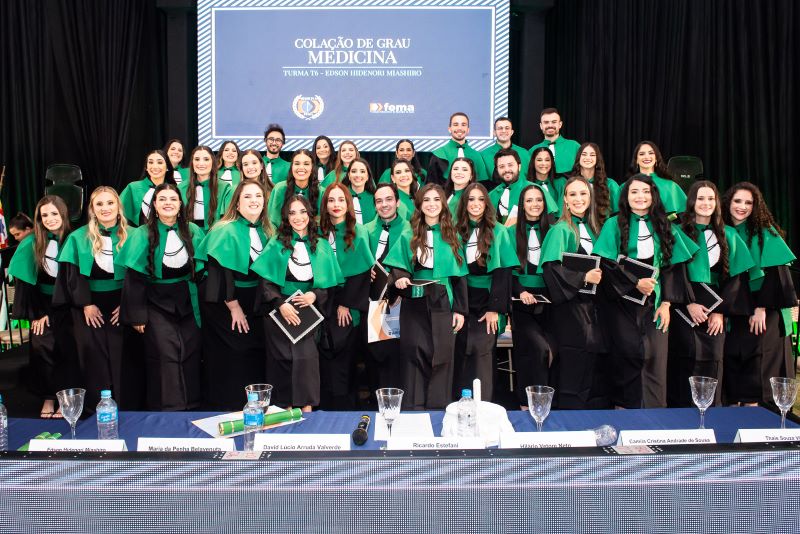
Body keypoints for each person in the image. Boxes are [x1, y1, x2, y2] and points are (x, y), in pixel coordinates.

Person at [593, 174, 697, 408]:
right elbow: (607, 264)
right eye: (634, 192)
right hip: (621, 303)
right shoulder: (613, 224)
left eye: (645, 192)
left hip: (656, 303)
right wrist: (634, 282)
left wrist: (667, 303)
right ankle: (624, 412)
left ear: (653, 196)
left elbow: (673, 267)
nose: (640, 197)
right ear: (625, 197)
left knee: (655, 358)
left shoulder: (664, 224)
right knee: (625, 355)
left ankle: (654, 416)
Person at [116, 183, 205, 411]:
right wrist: (137, 315)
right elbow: (134, 278)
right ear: (154, 205)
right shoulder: (142, 234)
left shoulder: (193, 231)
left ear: (180, 205)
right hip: (155, 301)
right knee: (166, 352)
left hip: (188, 300)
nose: (168, 203)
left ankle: (192, 405)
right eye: (162, 199)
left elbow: (203, 271)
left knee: (190, 350)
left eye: (173, 199)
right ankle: (169, 408)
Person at [251, 195, 342, 412]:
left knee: (306, 361)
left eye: (302, 212)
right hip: (279, 314)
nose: (298, 217)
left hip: (307, 314)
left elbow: (329, 284)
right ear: (286, 217)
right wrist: (281, 304)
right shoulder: (276, 243)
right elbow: (265, 283)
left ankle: (308, 416)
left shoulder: (321, 244)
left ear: (310, 215)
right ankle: (285, 415)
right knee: (281, 362)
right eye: (292, 213)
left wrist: (314, 296)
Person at [667, 181, 754, 407]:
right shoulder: (677, 232)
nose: (706, 203)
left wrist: (720, 312)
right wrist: (688, 304)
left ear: (717, 203)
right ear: (691, 201)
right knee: (682, 362)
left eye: (710, 199)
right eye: (701, 198)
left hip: (715, 311)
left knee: (713, 363)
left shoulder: (730, 234)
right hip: (683, 309)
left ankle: (710, 423)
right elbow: (675, 272)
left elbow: (735, 280)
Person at [383, 184, 468, 409]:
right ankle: (413, 411)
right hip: (414, 299)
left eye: (436, 200)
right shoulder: (408, 233)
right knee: (413, 353)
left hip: (443, 299)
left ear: (443, 204)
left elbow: (460, 278)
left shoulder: (453, 235)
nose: (431, 204)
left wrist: (460, 310)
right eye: (427, 200)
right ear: (420, 205)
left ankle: (438, 411)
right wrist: (401, 277)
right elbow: (396, 266)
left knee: (442, 355)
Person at [54, 187, 136, 412]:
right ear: (92, 209)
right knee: (94, 359)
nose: (105, 208)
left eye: (110, 203)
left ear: (118, 207)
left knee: (125, 358)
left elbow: (139, 275)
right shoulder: (78, 237)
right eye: (99, 204)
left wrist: (128, 304)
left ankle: (128, 408)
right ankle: (97, 409)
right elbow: (72, 276)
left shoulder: (134, 234)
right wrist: (86, 304)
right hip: (89, 307)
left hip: (123, 304)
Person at [196, 180, 272, 410]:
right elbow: (221, 271)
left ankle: (255, 407)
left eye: (258, 196)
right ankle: (228, 407)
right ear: (237, 204)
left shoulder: (268, 230)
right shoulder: (224, 229)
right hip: (225, 300)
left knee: (256, 352)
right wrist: (233, 304)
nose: (254, 201)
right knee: (234, 354)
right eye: (247, 196)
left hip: (256, 300)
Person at [722, 182, 797, 405]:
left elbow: (777, 275)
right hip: (736, 312)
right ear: (728, 203)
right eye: (737, 201)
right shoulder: (722, 231)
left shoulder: (765, 233)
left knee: (759, 370)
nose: (742, 207)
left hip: (763, 312)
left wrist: (760, 308)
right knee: (735, 366)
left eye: (748, 203)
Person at [538, 178, 608, 409]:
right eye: (573, 195)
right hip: (570, 308)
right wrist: (583, 278)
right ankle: (569, 417)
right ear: (565, 200)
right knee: (572, 363)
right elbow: (550, 269)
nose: (579, 199)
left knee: (591, 362)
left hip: (594, 307)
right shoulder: (560, 229)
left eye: (583, 194)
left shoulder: (596, 229)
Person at [8, 196, 76, 418]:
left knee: (68, 347)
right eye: (44, 215)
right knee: (42, 345)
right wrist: (39, 314)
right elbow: (28, 285)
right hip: (43, 305)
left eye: (54, 214)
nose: (50, 219)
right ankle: (49, 395)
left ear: (63, 214)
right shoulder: (32, 242)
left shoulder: (75, 238)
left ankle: (66, 397)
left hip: (70, 305)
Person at [453, 183, 518, 402]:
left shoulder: (498, 231)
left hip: (487, 302)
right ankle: (459, 407)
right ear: (464, 203)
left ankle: (483, 407)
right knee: (458, 352)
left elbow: (503, 272)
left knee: (481, 352)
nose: (476, 204)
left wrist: (495, 309)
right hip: (459, 302)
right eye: (471, 199)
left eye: (481, 199)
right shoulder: (454, 229)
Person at [317, 183, 375, 409]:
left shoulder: (358, 231)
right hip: (321, 299)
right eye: (331, 200)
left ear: (348, 203)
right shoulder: (317, 229)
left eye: (341, 200)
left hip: (347, 302)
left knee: (343, 362)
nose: (336, 205)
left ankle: (344, 411)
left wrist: (345, 304)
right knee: (321, 360)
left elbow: (362, 272)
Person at [510, 184, 558, 408]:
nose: (534, 204)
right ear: (522, 205)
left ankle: (545, 405)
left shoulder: (554, 231)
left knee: (552, 353)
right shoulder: (510, 232)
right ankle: (526, 404)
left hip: (551, 300)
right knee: (531, 352)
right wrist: (521, 292)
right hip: (521, 300)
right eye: (529, 200)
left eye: (539, 199)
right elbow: (504, 271)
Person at [364, 183, 413, 391]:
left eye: (389, 199)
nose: (384, 205)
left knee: (399, 357)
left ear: (397, 202)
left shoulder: (410, 229)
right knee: (377, 357)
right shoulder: (365, 230)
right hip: (373, 305)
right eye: (379, 201)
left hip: (402, 303)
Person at [178, 145, 232, 231]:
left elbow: (227, 219)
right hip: (188, 234)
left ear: (212, 162)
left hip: (215, 235)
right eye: (197, 159)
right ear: (192, 163)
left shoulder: (225, 188)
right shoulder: (181, 187)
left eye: (206, 159)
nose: (201, 163)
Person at [427, 112, 490, 186]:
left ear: (468, 129)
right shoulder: (439, 154)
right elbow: (431, 185)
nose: (459, 128)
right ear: (449, 129)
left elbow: (483, 185)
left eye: (463, 125)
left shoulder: (477, 156)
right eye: (455, 125)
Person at [625, 141, 686, 217]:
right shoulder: (626, 186)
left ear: (656, 158)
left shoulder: (670, 186)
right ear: (636, 160)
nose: (647, 157)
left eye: (651, 153)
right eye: (642, 154)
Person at [489, 149, 546, 228]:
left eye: (510, 165)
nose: (506, 170)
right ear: (497, 170)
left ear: (519, 166)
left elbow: (549, 222)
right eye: (501, 166)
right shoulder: (491, 195)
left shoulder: (536, 189)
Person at [120, 149, 177, 226]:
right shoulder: (133, 188)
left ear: (167, 167)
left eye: (160, 162)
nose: (155, 166)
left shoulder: (173, 190)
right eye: (150, 162)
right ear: (146, 167)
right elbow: (119, 214)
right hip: (141, 235)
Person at [568, 142, 620, 224]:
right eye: (584, 154)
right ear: (579, 158)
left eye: (592, 155)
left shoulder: (611, 185)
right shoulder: (570, 185)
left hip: (603, 231)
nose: (588, 158)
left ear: (597, 159)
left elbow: (618, 215)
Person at [267, 149, 321, 226]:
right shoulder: (279, 189)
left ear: (312, 168)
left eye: (306, 164)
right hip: (283, 236)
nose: (301, 167)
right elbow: (272, 221)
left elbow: (321, 222)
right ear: (291, 167)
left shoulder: (321, 191)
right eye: (297, 164)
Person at [528, 108, 581, 176]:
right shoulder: (532, 150)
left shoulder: (574, 146)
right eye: (546, 122)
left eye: (554, 122)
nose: (550, 125)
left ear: (560, 124)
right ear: (541, 126)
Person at [526, 146, 564, 213]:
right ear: (533, 162)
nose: (543, 163)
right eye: (539, 160)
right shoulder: (526, 185)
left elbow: (563, 210)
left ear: (551, 162)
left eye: (547, 160)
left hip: (559, 222)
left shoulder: (561, 182)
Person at [341, 157, 377, 224]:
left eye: (362, 171)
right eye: (354, 171)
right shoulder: (340, 196)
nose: (358, 175)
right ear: (349, 175)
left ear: (367, 177)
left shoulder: (375, 198)